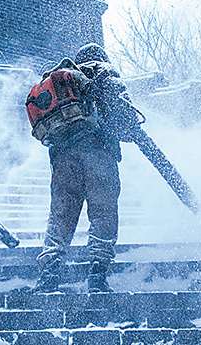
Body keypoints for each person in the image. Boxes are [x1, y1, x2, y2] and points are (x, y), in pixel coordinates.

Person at [30, 43, 142, 293]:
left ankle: (49, 274)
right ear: (100, 57)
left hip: (62, 160)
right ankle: (97, 275)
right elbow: (126, 119)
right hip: (98, 154)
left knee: (60, 216)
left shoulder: (57, 83)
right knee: (103, 213)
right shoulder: (103, 72)